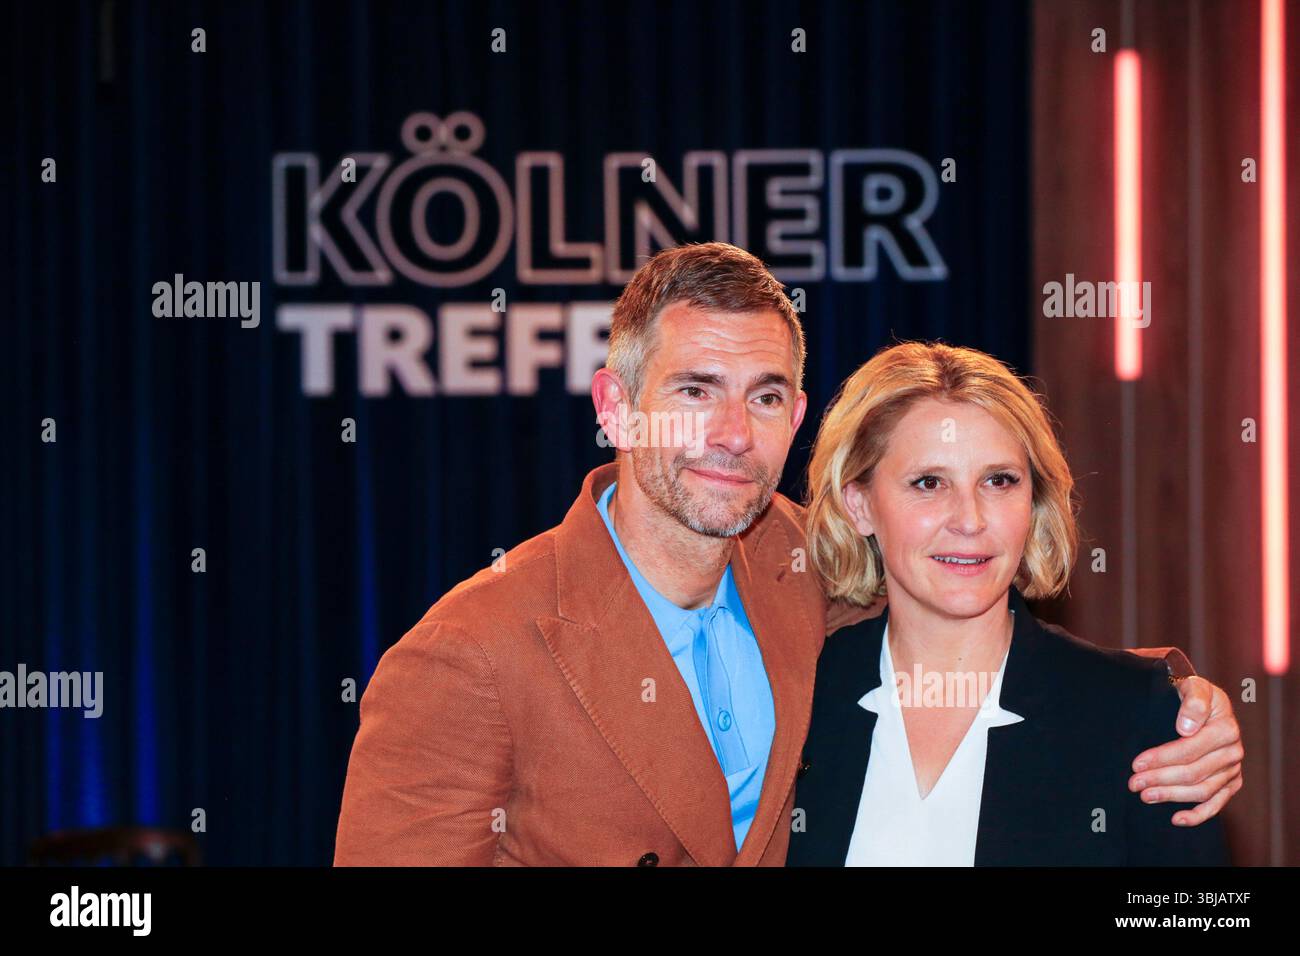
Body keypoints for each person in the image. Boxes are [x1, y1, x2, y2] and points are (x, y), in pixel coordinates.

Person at [334, 243, 1242, 866]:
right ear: (614, 407)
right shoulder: (470, 652)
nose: (732, 434)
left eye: (766, 397)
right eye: (696, 390)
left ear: (797, 421)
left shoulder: (810, 569)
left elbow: (970, 614)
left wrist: (1166, 703)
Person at [787, 342, 1231, 865]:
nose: (970, 519)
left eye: (999, 481)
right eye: (929, 483)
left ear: (1033, 501)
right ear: (858, 504)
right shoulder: (798, 699)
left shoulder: (1139, 715)